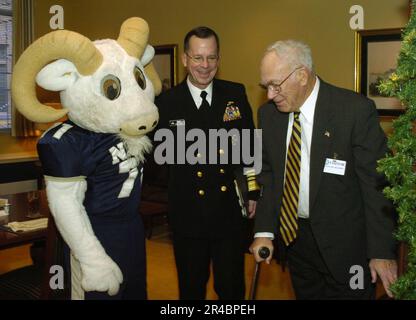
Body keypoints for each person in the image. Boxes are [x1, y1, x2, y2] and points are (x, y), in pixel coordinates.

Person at [250, 40, 398, 299]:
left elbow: (377, 186)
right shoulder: (269, 116)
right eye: (266, 86)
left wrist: (382, 252)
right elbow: (270, 177)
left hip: (348, 246)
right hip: (297, 242)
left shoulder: (352, 111)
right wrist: (264, 232)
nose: (270, 95)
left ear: (302, 75)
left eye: (276, 85)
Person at [154, 26, 258, 300]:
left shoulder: (234, 95)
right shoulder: (166, 103)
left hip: (228, 215)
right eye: (198, 58)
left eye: (211, 58)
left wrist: (253, 192)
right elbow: (155, 157)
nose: (205, 65)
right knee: (191, 289)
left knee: (232, 288)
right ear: (185, 59)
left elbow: (249, 149)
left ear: (219, 59)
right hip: (187, 214)